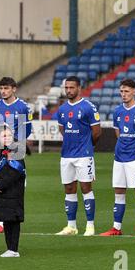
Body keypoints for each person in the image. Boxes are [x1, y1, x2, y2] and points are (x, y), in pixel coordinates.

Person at [100, 78, 135, 237]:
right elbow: (118, 134)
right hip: (119, 158)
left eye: (127, 91)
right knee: (119, 191)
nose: (123, 94)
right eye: (122, 91)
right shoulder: (117, 111)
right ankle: (116, 228)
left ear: (134, 92)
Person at [55, 76, 101, 236]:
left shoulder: (88, 107)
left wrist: (88, 145)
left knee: (86, 188)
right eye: (66, 87)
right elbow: (62, 130)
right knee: (69, 188)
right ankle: (71, 226)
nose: (68, 90)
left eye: (71, 87)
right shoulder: (62, 109)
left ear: (79, 88)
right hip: (66, 154)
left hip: (84, 154)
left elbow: (97, 132)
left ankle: (90, 225)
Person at [0, 76, 32, 234]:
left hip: (15, 150)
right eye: (1, 88)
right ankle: (1, 223)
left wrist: (17, 145)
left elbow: (26, 130)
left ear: (14, 89)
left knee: (15, 184)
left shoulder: (22, 107)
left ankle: (14, 217)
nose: (3, 91)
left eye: (6, 88)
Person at [0, 127, 26, 257]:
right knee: (6, 219)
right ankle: (10, 248)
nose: (8, 137)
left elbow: (15, 172)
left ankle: (13, 249)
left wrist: (1, 186)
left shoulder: (16, 150)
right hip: (2, 192)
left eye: (9, 135)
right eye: (4, 135)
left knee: (13, 220)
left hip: (13, 191)